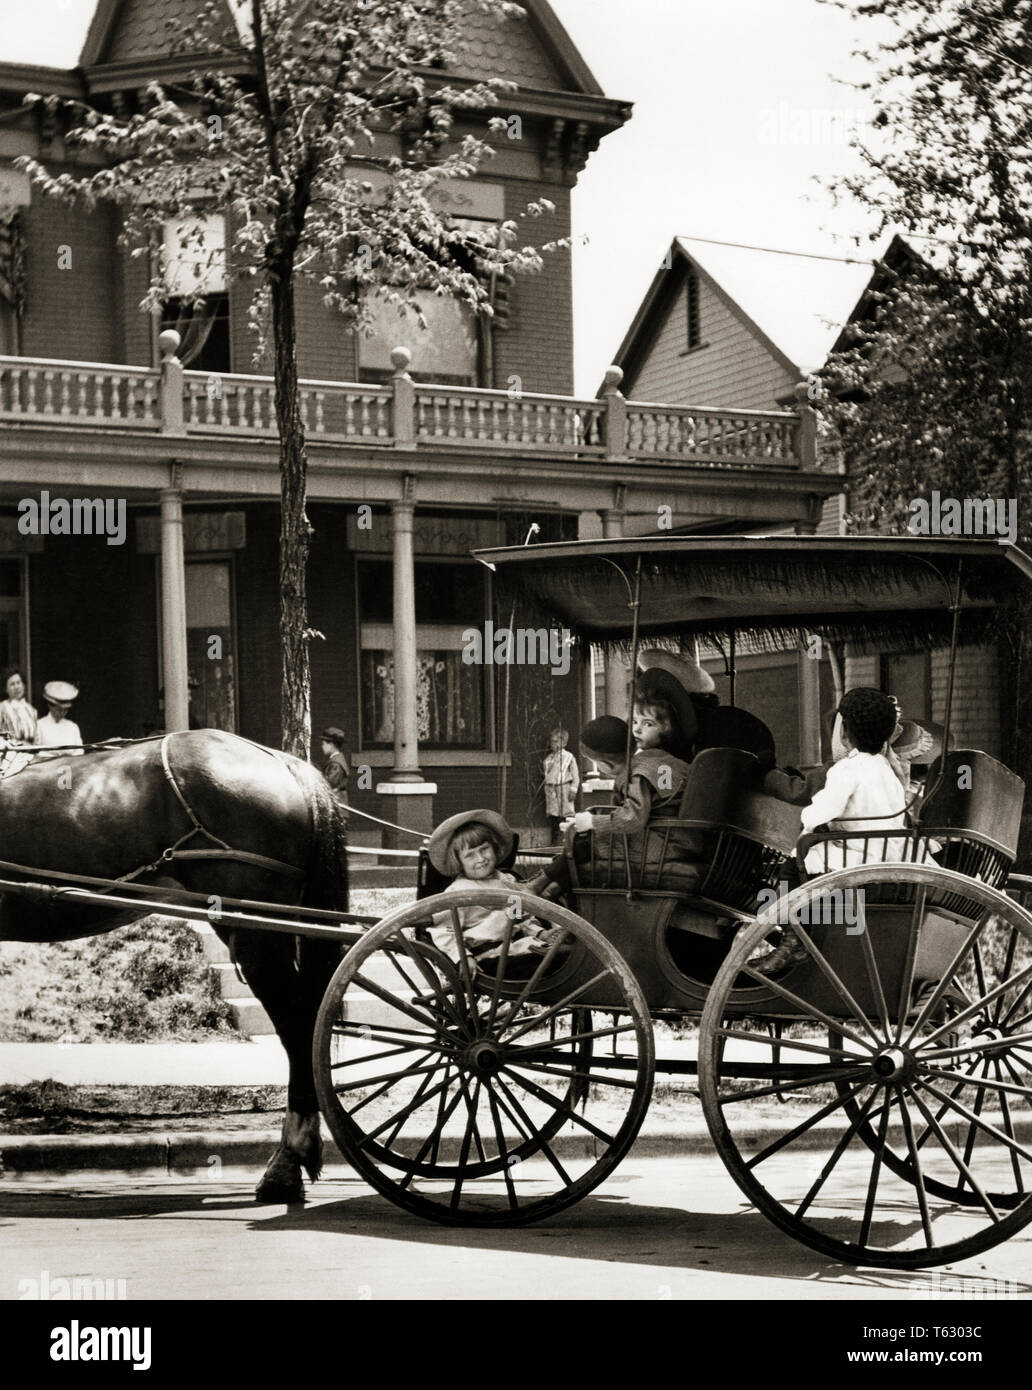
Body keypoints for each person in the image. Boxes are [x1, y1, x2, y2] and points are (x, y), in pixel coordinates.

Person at [426, 809, 559, 964]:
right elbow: (445, 931)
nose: (481, 858)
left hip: (518, 946)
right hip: (488, 956)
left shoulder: (508, 881)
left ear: (494, 848)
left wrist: (541, 933)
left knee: (554, 954)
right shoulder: (457, 891)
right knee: (543, 958)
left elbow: (519, 919)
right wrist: (463, 958)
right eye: (470, 855)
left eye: (484, 849)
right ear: (458, 862)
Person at [799, 686, 908, 875]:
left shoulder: (846, 769)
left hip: (857, 857)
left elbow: (824, 810)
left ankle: (792, 904)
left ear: (843, 732)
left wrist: (808, 818)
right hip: (891, 854)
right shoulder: (889, 769)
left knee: (795, 864)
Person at [542, 727, 579, 841]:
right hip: (552, 788)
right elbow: (547, 773)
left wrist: (573, 789)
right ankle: (555, 838)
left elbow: (575, 775)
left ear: (564, 743)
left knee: (566, 813)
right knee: (554, 813)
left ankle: (568, 838)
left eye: (556, 741)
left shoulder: (568, 757)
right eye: (552, 741)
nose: (553, 744)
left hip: (564, 787)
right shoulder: (549, 759)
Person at [36, 680, 84, 755]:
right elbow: (37, 751)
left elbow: (80, 750)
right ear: (50, 706)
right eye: (59, 709)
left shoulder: (73, 727)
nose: (62, 713)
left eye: (65, 710)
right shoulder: (39, 725)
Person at [319, 727, 350, 823]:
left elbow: (327, 784)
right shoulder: (335, 761)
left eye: (323, 744)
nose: (321, 746)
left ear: (331, 744)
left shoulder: (336, 764)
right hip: (335, 807)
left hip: (336, 808)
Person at [0, 668, 38, 745]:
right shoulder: (2, 708)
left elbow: (37, 738)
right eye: (12, 684)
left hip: (31, 752)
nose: (16, 687)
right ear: (6, 689)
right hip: (10, 754)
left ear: (23, 685)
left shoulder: (31, 710)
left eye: (18, 683)